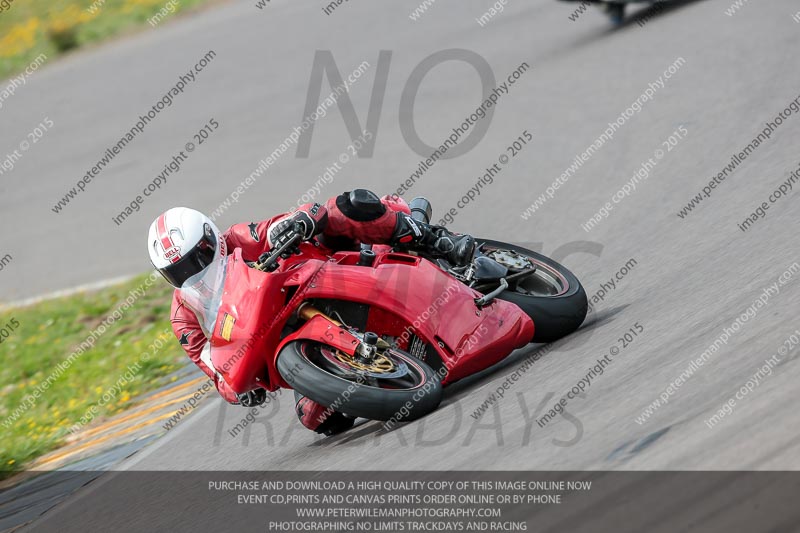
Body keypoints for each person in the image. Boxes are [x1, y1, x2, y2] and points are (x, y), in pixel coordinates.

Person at [146, 189, 474, 435]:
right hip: (289, 337)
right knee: (319, 418)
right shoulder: (184, 313)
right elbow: (210, 363)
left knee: (345, 207)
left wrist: (299, 223)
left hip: (331, 272)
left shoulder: (240, 239)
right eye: (178, 271)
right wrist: (237, 389)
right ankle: (390, 367)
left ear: (210, 239)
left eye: (195, 259)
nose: (192, 273)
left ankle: (436, 241)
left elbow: (301, 214)